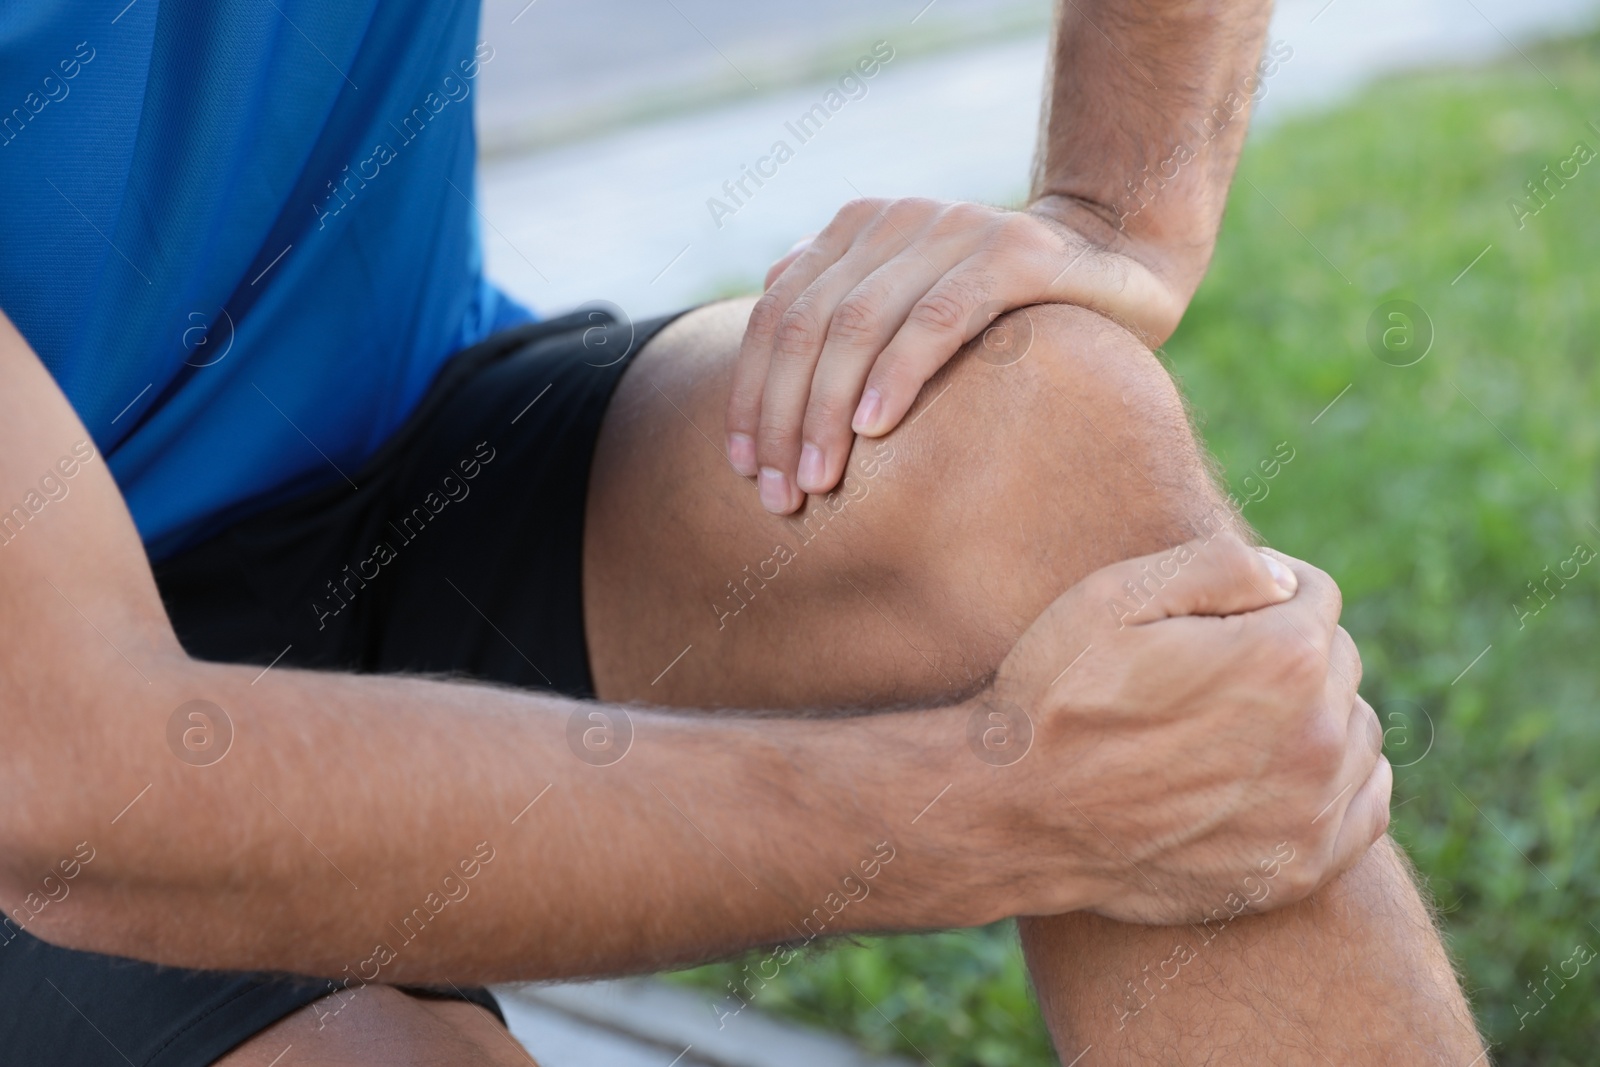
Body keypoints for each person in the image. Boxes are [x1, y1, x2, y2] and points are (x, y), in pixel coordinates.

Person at [0, 0, 1484, 1064]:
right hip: (45, 733)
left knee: (1048, 423)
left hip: (383, 451)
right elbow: (80, 785)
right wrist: (999, 807)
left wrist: (1123, 200)